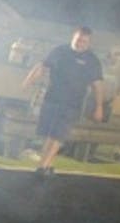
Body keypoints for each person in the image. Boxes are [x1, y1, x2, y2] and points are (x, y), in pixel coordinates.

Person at [22, 26, 104, 178]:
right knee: (50, 134)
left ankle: (42, 167)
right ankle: (47, 165)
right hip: (52, 99)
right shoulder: (59, 51)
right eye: (79, 40)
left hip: (72, 104)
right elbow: (42, 66)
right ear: (73, 38)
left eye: (85, 41)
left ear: (89, 43)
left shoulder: (92, 60)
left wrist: (99, 107)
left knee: (59, 135)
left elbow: (97, 85)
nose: (81, 43)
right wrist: (28, 81)